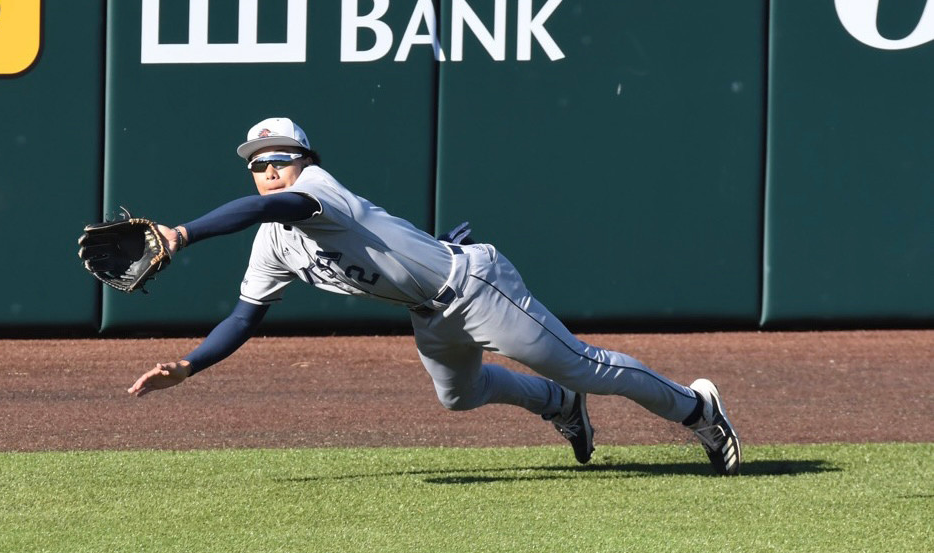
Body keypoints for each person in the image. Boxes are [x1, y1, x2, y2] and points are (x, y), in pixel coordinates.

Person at [127, 117, 742, 475]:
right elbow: (244, 316)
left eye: (278, 159)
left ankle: (698, 409)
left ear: (304, 161)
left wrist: (182, 234)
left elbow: (273, 204)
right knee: (460, 396)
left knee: (581, 362)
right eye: (256, 164)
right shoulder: (273, 244)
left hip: (475, 288)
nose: (267, 170)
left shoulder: (315, 188)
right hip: (429, 314)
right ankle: (558, 406)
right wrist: (190, 365)